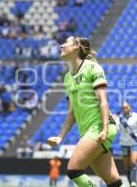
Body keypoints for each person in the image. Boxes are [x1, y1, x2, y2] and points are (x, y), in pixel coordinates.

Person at [47, 36, 124, 187]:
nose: (61, 46)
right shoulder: (67, 78)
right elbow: (71, 113)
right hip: (88, 131)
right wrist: (60, 137)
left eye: (66, 43)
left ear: (76, 46)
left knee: (74, 170)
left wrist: (105, 129)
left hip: (100, 127)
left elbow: (103, 101)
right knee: (113, 182)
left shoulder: (92, 67)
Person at [115, 102, 137, 187]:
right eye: (123, 108)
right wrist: (113, 120)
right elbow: (116, 129)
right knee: (127, 166)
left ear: (130, 107)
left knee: (133, 162)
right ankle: (131, 184)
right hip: (124, 143)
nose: (125, 109)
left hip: (135, 142)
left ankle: (134, 182)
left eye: (126, 107)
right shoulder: (119, 118)